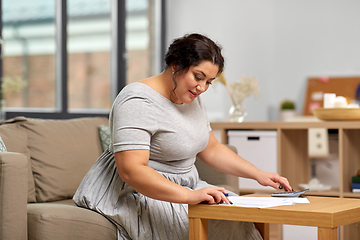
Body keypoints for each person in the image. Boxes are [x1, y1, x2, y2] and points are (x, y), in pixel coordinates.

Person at [73, 33, 292, 240]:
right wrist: (188, 197)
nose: (202, 87)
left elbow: (211, 148)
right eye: (198, 77)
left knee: (236, 218)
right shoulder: (137, 101)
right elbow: (132, 170)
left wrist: (258, 174)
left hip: (185, 186)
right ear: (176, 63)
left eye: (209, 82)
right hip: (135, 191)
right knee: (196, 227)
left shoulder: (190, 96)